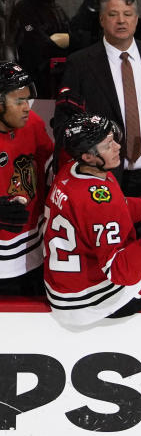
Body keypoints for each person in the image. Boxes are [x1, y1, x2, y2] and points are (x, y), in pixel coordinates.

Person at [43, 113, 141, 327]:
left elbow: (114, 208)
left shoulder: (69, 171)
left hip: (65, 286)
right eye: (108, 145)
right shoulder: (98, 200)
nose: (117, 146)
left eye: (113, 139)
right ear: (88, 156)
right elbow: (121, 272)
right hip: (93, 300)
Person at [54, 0, 141, 197]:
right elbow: (66, 123)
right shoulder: (80, 64)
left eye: (127, 14)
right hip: (103, 180)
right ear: (102, 19)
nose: (121, 20)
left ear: (136, 18)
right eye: (113, 14)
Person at [0, 62, 53, 296]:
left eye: (27, 100)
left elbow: (50, 164)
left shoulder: (33, 123)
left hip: (33, 248)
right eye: (18, 101)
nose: (26, 108)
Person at [8, 0, 70, 99]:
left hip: (60, 83)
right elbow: (37, 46)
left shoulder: (56, 7)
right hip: (39, 87)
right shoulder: (25, 8)